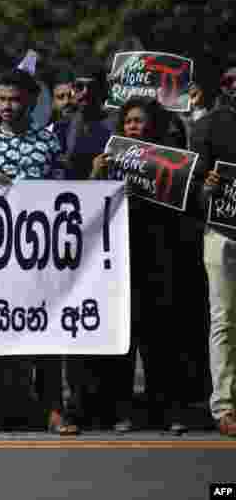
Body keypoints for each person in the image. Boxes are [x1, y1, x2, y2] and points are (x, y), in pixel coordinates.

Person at [0, 68, 70, 435]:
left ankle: (54, 409)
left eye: (15, 100)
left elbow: (64, 191)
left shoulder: (48, 141)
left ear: (31, 102)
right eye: (2, 100)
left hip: (37, 252)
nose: (7, 106)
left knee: (46, 331)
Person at [90, 97, 188, 434]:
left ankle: (166, 410)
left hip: (160, 254)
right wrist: (97, 175)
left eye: (140, 121)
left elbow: (181, 207)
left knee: (160, 337)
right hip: (120, 255)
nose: (134, 126)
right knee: (124, 335)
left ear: (154, 126)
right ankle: (120, 410)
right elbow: (91, 206)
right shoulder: (110, 157)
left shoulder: (169, 160)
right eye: (128, 121)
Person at [190, 58, 236, 437]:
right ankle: (224, 405)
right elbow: (193, 185)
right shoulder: (207, 125)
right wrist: (207, 183)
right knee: (223, 318)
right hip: (220, 231)